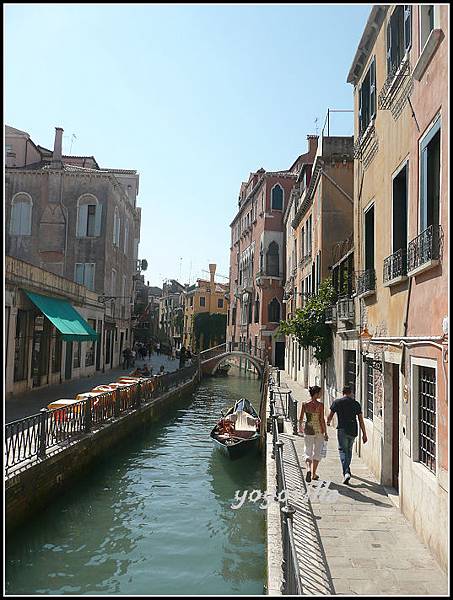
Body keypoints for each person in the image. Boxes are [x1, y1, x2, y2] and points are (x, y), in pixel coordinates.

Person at [327, 385, 367, 484]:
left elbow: (330, 416)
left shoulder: (337, 402)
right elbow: (361, 420)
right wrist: (364, 434)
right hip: (353, 430)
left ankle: (346, 472)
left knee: (342, 450)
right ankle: (347, 470)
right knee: (349, 450)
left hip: (342, 429)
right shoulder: (356, 403)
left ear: (343, 392)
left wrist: (328, 422)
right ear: (351, 392)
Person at [299, 385, 328, 483]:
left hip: (308, 429)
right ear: (316, 394)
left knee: (308, 451)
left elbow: (301, 418)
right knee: (317, 452)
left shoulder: (305, 404)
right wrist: (326, 432)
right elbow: (321, 420)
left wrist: (300, 428)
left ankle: (308, 469)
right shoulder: (320, 405)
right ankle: (313, 474)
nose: (321, 394)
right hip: (318, 430)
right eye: (320, 393)